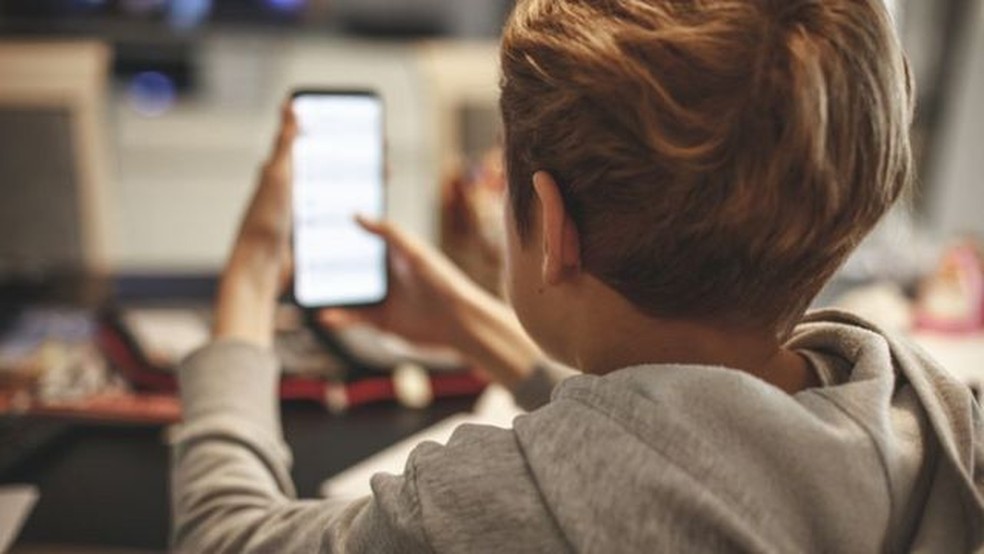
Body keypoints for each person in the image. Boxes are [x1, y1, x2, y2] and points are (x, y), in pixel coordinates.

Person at [170, 0, 984, 551]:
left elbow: (227, 535)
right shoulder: (929, 418)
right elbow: (694, 438)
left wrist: (252, 273)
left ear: (552, 224)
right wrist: (470, 326)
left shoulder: (497, 508)